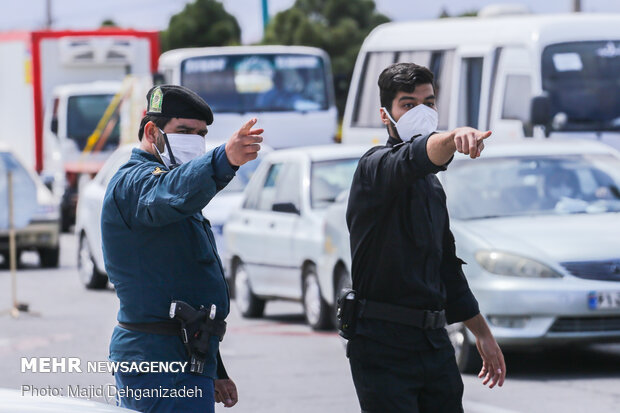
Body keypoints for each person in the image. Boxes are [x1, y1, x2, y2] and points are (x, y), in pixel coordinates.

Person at [344, 63, 506, 413]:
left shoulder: (432, 188)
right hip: (382, 343)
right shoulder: (373, 168)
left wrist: (482, 333)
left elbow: (447, 268)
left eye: (429, 103)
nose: (422, 112)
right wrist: (451, 137)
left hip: (434, 341)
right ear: (386, 114)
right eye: (409, 104)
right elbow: (414, 157)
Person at [101, 84, 263, 413]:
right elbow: (169, 192)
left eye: (201, 133)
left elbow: (188, 287)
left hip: (188, 354)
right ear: (152, 131)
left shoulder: (173, 183)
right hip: (155, 358)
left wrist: (214, 368)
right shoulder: (135, 182)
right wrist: (223, 159)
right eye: (184, 131)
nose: (195, 140)